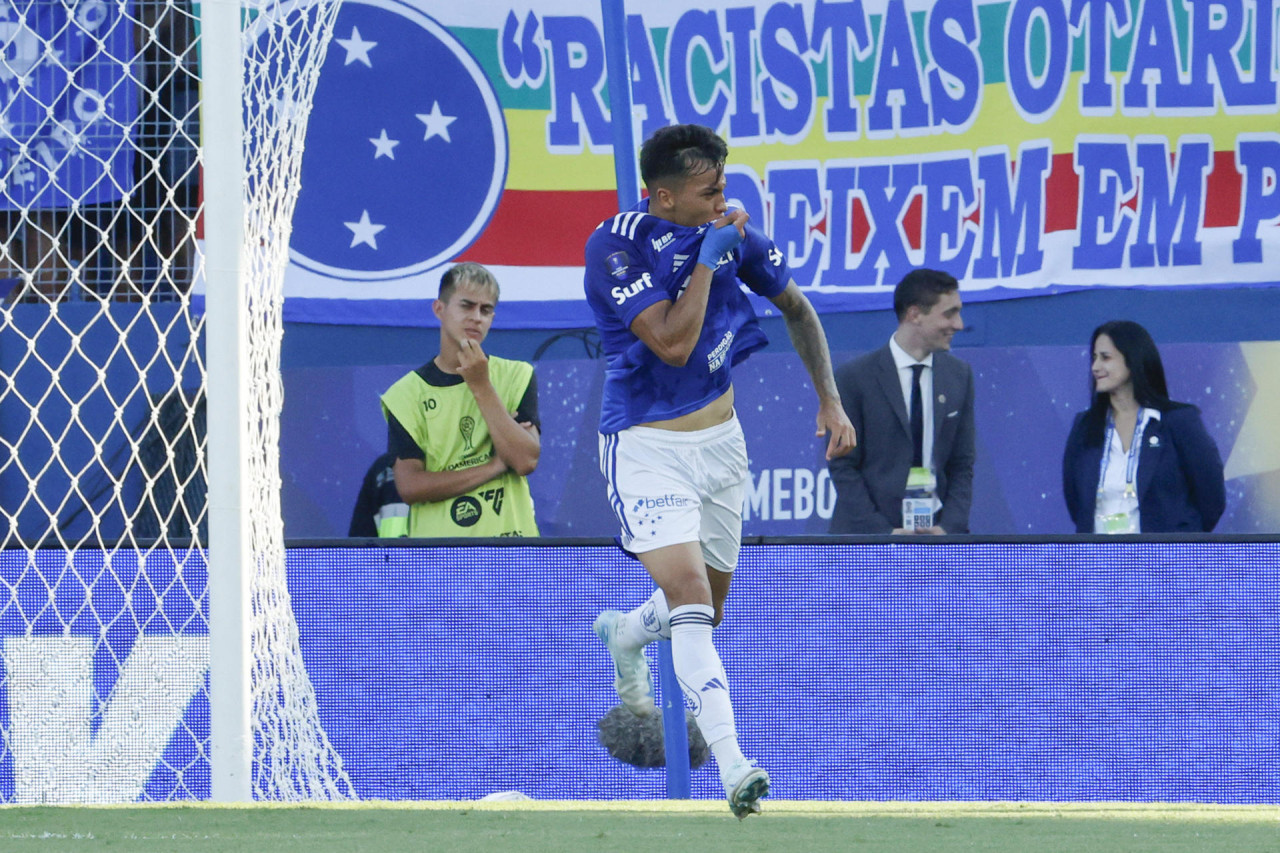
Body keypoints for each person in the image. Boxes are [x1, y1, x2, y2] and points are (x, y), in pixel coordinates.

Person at [582, 124, 856, 819]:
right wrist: (707, 260)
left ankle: (626, 632)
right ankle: (735, 765)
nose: (722, 204)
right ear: (664, 197)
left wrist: (828, 398)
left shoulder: (734, 236)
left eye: (724, 189)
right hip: (647, 448)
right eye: (709, 194)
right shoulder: (614, 246)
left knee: (703, 609)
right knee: (692, 602)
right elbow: (672, 343)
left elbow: (796, 308)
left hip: (722, 444)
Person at [379, 262, 540, 537]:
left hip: (513, 550)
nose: (477, 317)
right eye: (466, 306)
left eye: (486, 310)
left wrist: (480, 385)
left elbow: (525, 460)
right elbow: (411, 487)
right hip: (438, 555)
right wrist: (495, 465)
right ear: (439, 309)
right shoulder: (405, 395)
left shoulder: (517, 375)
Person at [827, 269, 975, 534]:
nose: (959, 325)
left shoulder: (959, 376)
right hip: (865, 545)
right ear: (914, 314)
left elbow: (962, 465)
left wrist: (949, 528)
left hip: (938, 541)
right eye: (949, 313)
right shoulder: (854, 378)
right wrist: (883, 533)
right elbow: (843, 466)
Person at [1062, 320, 1225, 533]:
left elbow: (1211, 498)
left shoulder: (1178, 421)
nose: (1095, 367)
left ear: (1133, 360)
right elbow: (1076, 502)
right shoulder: (1085, 426)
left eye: (1106, 358)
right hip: (1100, 560)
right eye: (1094, 358)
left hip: (1165, 560)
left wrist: (1180, 543)